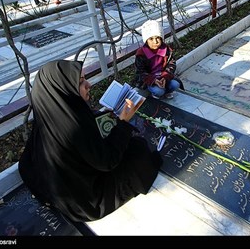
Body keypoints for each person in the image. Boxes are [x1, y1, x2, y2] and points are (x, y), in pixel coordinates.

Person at [18, 60, 162, 222]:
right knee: (138, 150)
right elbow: (108, 162)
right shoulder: (75, 127)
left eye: (84, 79)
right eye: (80, 82)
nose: (89, 84)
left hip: (58, 189)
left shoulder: (50, 109)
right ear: (63, 89)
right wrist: (123, 123)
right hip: (85, 201)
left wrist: (100, 117)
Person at [134, 20, 181, 99]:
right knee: (159, 91)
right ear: (146, 40)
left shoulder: (166, 50)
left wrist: (165, 77)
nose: (155, 42)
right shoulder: (141, 54)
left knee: (175, 84)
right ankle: (157, 93)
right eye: (151, 39)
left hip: (164, 77)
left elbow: (171, 64)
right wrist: (153, 80)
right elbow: (140, 72)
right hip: (150, 80)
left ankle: (167, 91)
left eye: (158, 38)